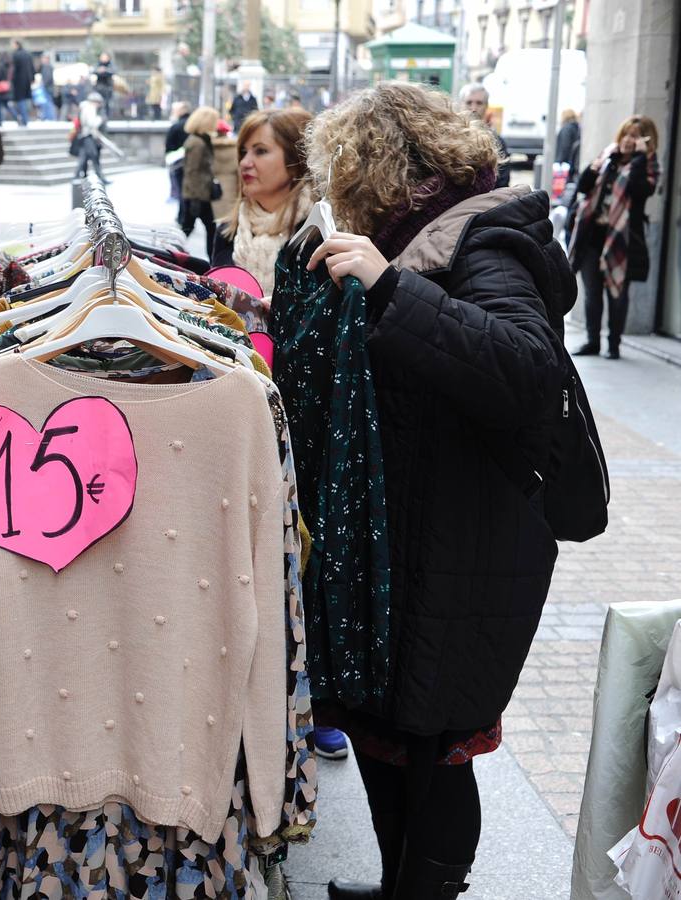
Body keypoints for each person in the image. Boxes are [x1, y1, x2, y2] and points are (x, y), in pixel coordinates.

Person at [301, 81, 569, 899]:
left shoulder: (482, 240)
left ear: (379, 165)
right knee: (388, 737)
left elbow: (526, 369)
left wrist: (390, 287)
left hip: (468, 544)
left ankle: (427, 893)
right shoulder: (413, 235)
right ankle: (397, 884)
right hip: (415, 534)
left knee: (438, 746)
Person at [568, 114, 661, 360]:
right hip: (593, 235)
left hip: (622, 239)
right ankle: (592, 341)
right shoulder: (608, 157)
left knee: (617, 293)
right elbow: (583, 187)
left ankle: (614, 344)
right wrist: (594, 167)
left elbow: (639, 191)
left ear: (646, 141)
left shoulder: (649, 166)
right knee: (592, 292)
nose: (629, 140)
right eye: (626, 134)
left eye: (636, 136)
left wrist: (640, 158)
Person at [210, 108, 312, 296]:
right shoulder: (227, 231)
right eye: (243, 152)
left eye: (260, 151)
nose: (245, 162)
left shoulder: (317, 235)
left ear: (295, 160)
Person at [178, 105, 223, 256]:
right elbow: (192, 172)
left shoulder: (201, 139)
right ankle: (172, 253)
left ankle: (173, 252)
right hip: (197, 195)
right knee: (201, 228)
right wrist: (195, 198)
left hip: (199, 193)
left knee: (193, 228)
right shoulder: (197, 143)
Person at [458, 83, 510, 189]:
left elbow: (502, 182)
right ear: (461, 105)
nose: (473, 108)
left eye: (479, 103)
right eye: (469, 102)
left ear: (486, 106)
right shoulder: (449, 137)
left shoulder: (496, 142)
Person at [72, 92, 109, 185]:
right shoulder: (89, 108)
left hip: (87, 136)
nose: (99, 105)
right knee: (93, 156)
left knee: (84, 158)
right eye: (98, 102)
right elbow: (92, 123)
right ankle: (99, 177)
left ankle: (79, 176)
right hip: (88, 136)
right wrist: (100, 119)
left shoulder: (85, 107)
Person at [165, 101, 193, 203]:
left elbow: (169, 146)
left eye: (175, 110)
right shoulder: (194, 125)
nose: (173, 112)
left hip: (178, 162)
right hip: (193, 163)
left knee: (180, 190)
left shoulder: (176, 126)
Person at [9, 39, 34, 127]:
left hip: (18, 81)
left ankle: (24, 120)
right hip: (27, 81)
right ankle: (25, 119)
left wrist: (11, 80)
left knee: (20, 101)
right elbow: (32, 67)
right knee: (25, 101)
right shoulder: (27, 54)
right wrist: (32, 78)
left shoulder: (16, 55)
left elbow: (14, 70)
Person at [556, 109, 581, 180]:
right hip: (573, 162)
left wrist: (560, 161)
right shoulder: (576, 127)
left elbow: (565, 146)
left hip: (565, 163)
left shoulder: (566, 128)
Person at [93, 52, 115, 117]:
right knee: (98, 103)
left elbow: (113, 71)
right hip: (99, 88)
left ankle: (107, 117)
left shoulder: (110, 64)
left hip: (108, 88)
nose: (103, 58)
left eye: (105, 57)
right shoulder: (98, 64)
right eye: (102, 57)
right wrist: (99, 71)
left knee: (107, 104)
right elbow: (93, 70)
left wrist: (105, 70)